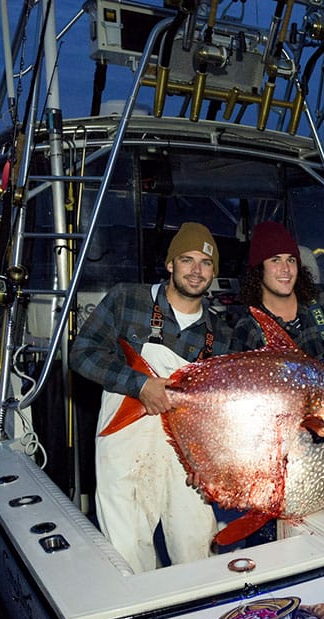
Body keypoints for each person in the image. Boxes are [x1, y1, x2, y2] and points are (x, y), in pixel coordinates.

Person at [70, 222, 234, 573]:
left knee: (198, 551)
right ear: (170, 264)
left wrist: (207, 461)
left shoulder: (220, 334)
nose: (196, 270)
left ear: (214, 273)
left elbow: (219, 412)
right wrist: (139, 384)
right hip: (127, 446)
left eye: (206, 264)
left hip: (185, 455)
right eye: (187, 260)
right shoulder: (126, 299)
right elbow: (81, 354)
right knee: (126, 552)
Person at [232, 221, 324, 393]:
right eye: (275, 260)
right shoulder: (248, 330)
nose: (286, 269)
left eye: (291, 260)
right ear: (258, 270)